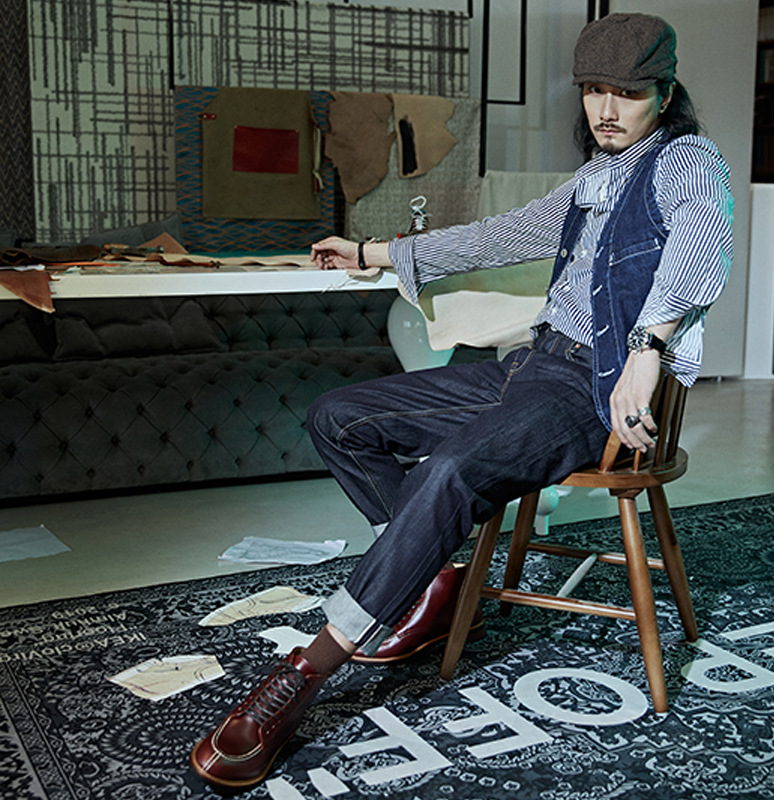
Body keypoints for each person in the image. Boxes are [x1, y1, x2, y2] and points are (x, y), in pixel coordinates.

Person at [191, 12, 733, 793]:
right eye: (594, 91)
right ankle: (427, 576)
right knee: (340, 418)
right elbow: (498, 236)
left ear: (666, 93)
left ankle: (308, 671)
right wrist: (373, 252)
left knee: (449, 470)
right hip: (533, 366)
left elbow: (699, 250)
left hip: (597, 389)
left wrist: (648, 350)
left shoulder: (688, 162)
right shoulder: (597, 177)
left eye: (629, 93)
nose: (608, 110)